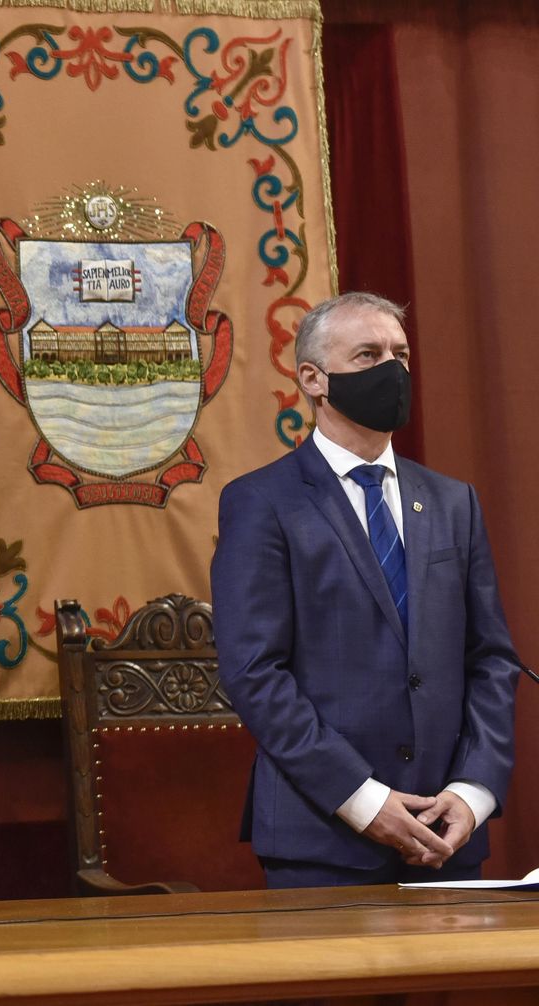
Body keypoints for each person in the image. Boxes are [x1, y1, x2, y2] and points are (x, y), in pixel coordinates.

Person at [211, 291, 520, 888]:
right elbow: (254, 672)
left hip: (445, 834)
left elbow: (491, 658)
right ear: (313, 378)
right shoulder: (261, 502)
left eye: (401, 355)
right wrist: (361, 798)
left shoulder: (455, 502)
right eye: (369, 354)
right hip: (323, 838)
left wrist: (473, 791)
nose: (393, 371)